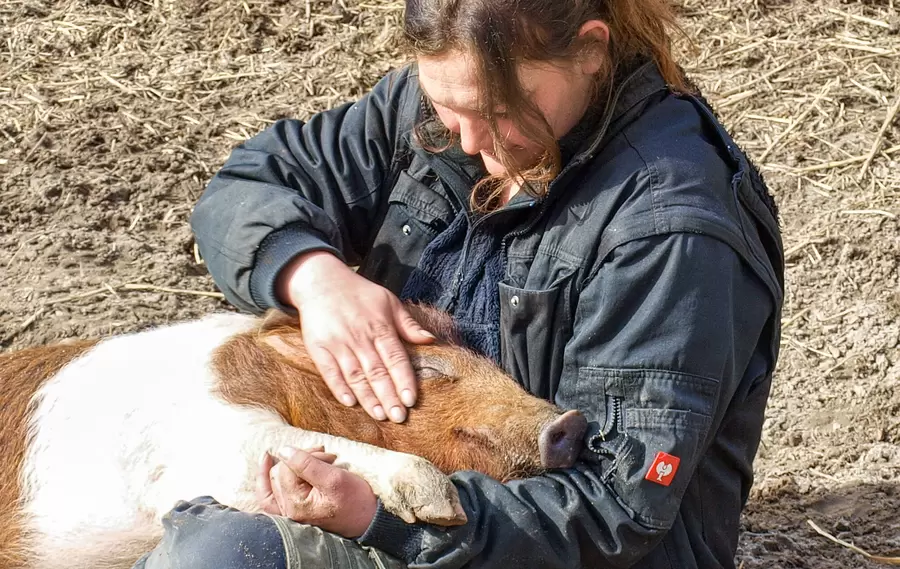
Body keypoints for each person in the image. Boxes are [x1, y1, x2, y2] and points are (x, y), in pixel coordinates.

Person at [134, 0, 784, 567]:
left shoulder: (669, 228)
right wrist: (313, 276)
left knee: (217, 551)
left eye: (497, 111)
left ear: (590, 49)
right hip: (397, 476)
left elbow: (616, 505)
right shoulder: (438, 117)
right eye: (447, 108)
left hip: (531, 542)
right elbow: (250, 187)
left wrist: (377, 510)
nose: (468, 140)